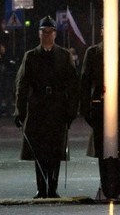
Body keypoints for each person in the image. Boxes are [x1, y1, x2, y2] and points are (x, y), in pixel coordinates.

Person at [14, 16, 78, 198]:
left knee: (56, 150)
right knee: (39, 150)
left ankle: (53, 187)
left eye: (50, 32)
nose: (47, 35)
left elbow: (73, 85)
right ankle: (41, 187)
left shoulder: (64, 56)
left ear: (55, 34)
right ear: (39, 34)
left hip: (58, 108)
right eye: (43, 32)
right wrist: (20, 111)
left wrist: (71, 111)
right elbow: (22, 85)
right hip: (38, 108)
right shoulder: (31, 56)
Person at [79, 29, 120, 197]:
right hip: (99, 108)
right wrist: (86, 109)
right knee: (102, 149)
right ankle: (105, 184)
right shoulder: (93, 53)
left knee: (119, 147)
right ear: (101, 31)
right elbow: (85, 82)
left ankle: (116, 184)